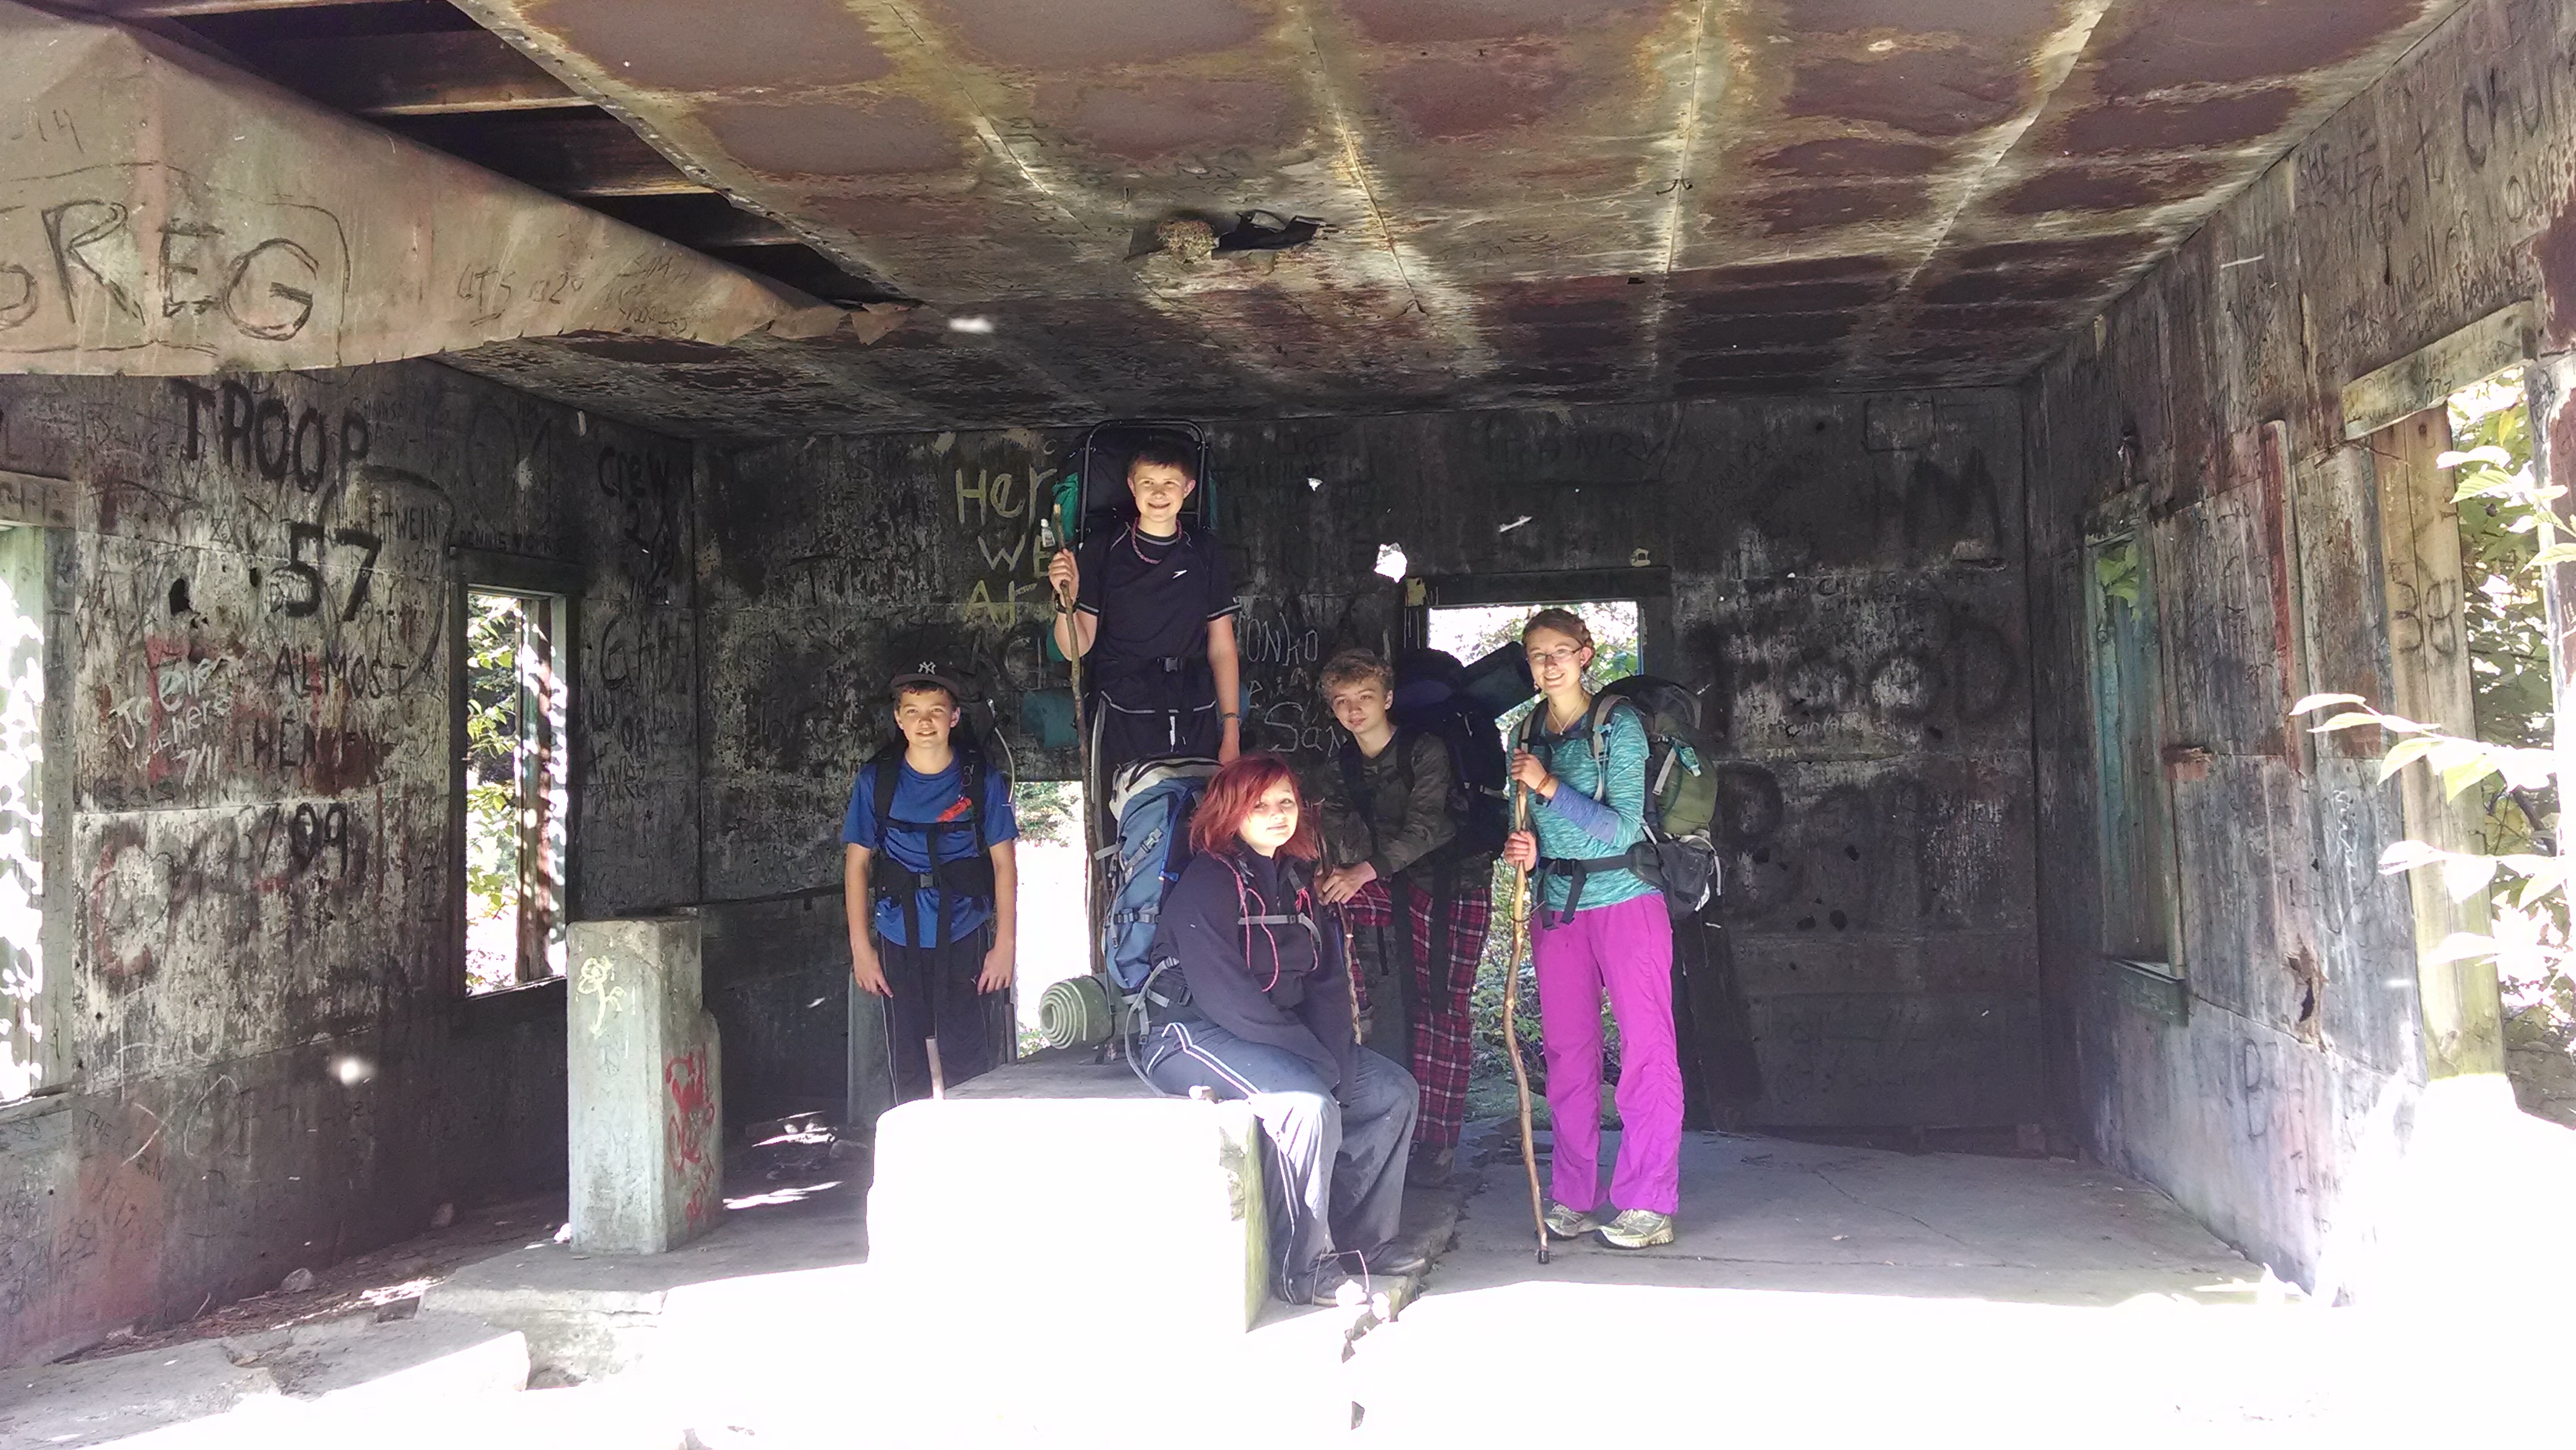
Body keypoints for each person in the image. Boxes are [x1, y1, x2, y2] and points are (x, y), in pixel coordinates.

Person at [1141, 754, 1426, 1303]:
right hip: (1191, 1035)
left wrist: (1336, 1058)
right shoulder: (1208, 882)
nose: (1277, 815)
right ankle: (1303, 1269)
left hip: (1276, 1034)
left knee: (1391, 1092)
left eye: (1285, 803)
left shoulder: (1296, 881)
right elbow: (1226, 996)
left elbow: (1326, 982)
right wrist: (1312, 1062)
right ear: (1231, 813)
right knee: (1306, 1106)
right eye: (1260, 806)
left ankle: (1363, 1243)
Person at [1500, 609, 1681, 1250]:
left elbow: (1623, 828)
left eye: (1560, 652)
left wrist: (1548, 784)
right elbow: (1526, 819)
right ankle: (1573, 1196)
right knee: (1567, 1055)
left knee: (1646, 1049)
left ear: (1586, 654)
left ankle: (1648, 1202)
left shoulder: (1617, 725)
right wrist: (1524, 847)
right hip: (1558, 906)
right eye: (1537, 654)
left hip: (1627, 899)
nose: (1549, 664)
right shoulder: (1525, 731)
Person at [1309, 648, 1491, 1188]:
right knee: (1372, 987)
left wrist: (1362, 871)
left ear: (1387, 698)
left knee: (1444, 1010)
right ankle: (1383, 1112)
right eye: (1342, 702)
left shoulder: (1425, 750)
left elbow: (1428, 827)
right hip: (1392, 885)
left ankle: (1438, 1142)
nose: (1354, 710)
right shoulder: (1342, 765)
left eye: (1365, 697)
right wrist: (1332, 874)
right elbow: (1337, 833)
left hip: (1455, 884)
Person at [842, 665, 1019, 1102]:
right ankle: (915, 1140)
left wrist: (1005, 947)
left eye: (936, 711)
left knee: (970, 1056)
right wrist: (862, 950)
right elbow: (857, 866)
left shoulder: (981, 780)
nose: (925, 722)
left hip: (964, 930)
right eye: (913, 712)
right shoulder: (877, 781)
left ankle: (971, 1139)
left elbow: (1005, 865)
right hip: (897, 932)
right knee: (907, 1060)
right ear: (898, 719)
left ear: (954, 717)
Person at [1045, 438, 1243, 783]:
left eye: (1170, 483)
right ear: (1132, 487)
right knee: (1124, 804)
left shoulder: (1205, 551)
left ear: (1188, 489)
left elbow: (1222, 648)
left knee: (1200, 807)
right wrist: (1067, 601)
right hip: (1122, 704)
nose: (1159, 493)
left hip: (1194, 703)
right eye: (1148, 482)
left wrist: (1231, 730)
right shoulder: (1103, 548)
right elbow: (1076, 648)